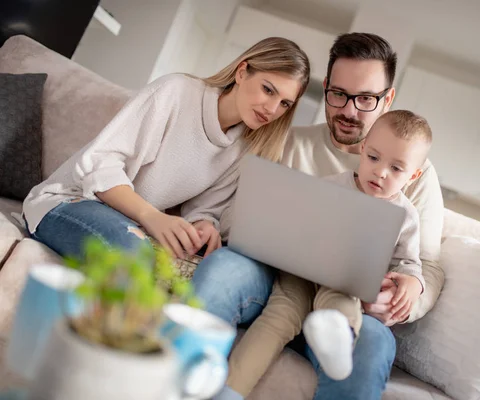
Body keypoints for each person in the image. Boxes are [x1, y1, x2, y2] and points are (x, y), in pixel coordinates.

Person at [194, 32, 445, 400]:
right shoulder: (289, 140)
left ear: (387, 98)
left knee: (371, 344)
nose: (349, 110)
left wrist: (406, 297)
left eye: (365, 98)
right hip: (273, 277)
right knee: (222, 271)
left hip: (350, 300)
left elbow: (428, 266)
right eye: (339, 94)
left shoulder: (415, 173)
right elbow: (236, 213)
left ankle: (336, 335)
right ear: (325, 88)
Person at [23, 37, 310, 260]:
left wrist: (204, 226)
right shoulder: (176, 92)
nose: (272, 109)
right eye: (268, 90)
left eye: (285, 103)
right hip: (67, 202)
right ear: (242, 72)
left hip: (129, 224)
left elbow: (205, 209)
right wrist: (152, 217)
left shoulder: (244, 147)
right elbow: (99, 164)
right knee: (133, 257)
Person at [228, 110, 432, 396]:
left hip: (345, 283)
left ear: (414, 175)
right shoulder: (332, 184)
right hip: (298, 275)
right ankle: (230, 390)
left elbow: (410, 262)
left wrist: (414, 281)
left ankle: (339, 342)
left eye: (396, 168)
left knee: (341, 303)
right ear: (362, 149)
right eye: (373, 158)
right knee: (276, 320)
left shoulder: (406, 216)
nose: (381, 172)